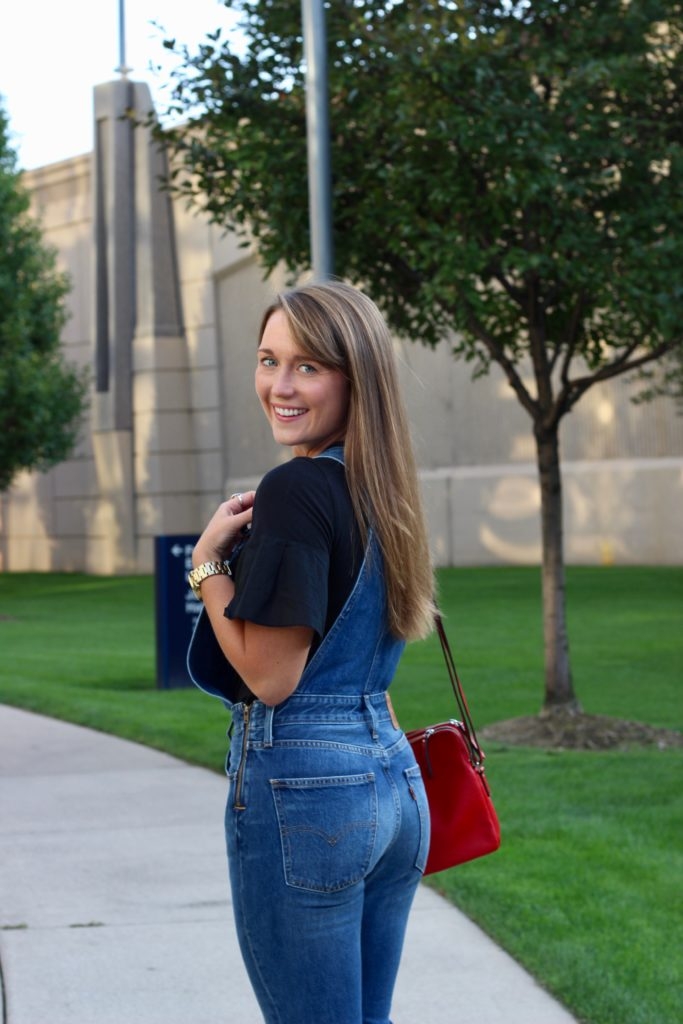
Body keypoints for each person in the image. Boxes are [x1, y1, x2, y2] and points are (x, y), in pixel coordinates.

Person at [187, 280, 435, 1024]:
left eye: (307, 367)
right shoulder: (382, 488)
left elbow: (270, 677)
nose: (279, 386)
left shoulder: (296, 488)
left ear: (352, 377)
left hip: (308, 796)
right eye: (268, 360)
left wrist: (205, 567)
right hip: (392, 783)